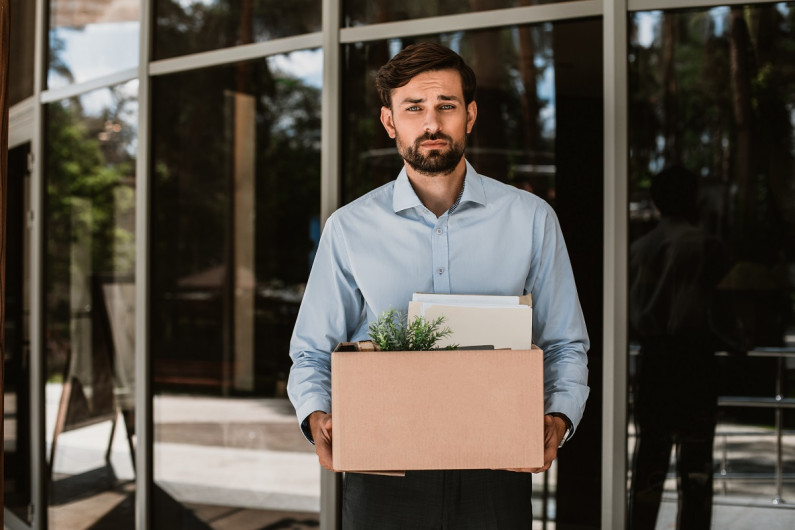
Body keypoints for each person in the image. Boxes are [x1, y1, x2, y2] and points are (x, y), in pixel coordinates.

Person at [288, 42, 589, 528]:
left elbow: (565, 342)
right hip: (382, 468)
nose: (432, 123)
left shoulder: (531, 219)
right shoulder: (349, 228)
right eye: (414, 108)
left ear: (469, 115)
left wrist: (558, 416)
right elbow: (311, 351)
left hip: (497, 468)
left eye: (446, 106)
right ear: (390, 122)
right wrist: (315, 413)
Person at [628, 165, 743, 530]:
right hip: (695, 362)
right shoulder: (709, 246)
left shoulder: (638, 249)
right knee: (696, 467)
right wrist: (741, 342)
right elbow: (722, 313)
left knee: (649, 462)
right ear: (693, 198)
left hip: (655, 362)